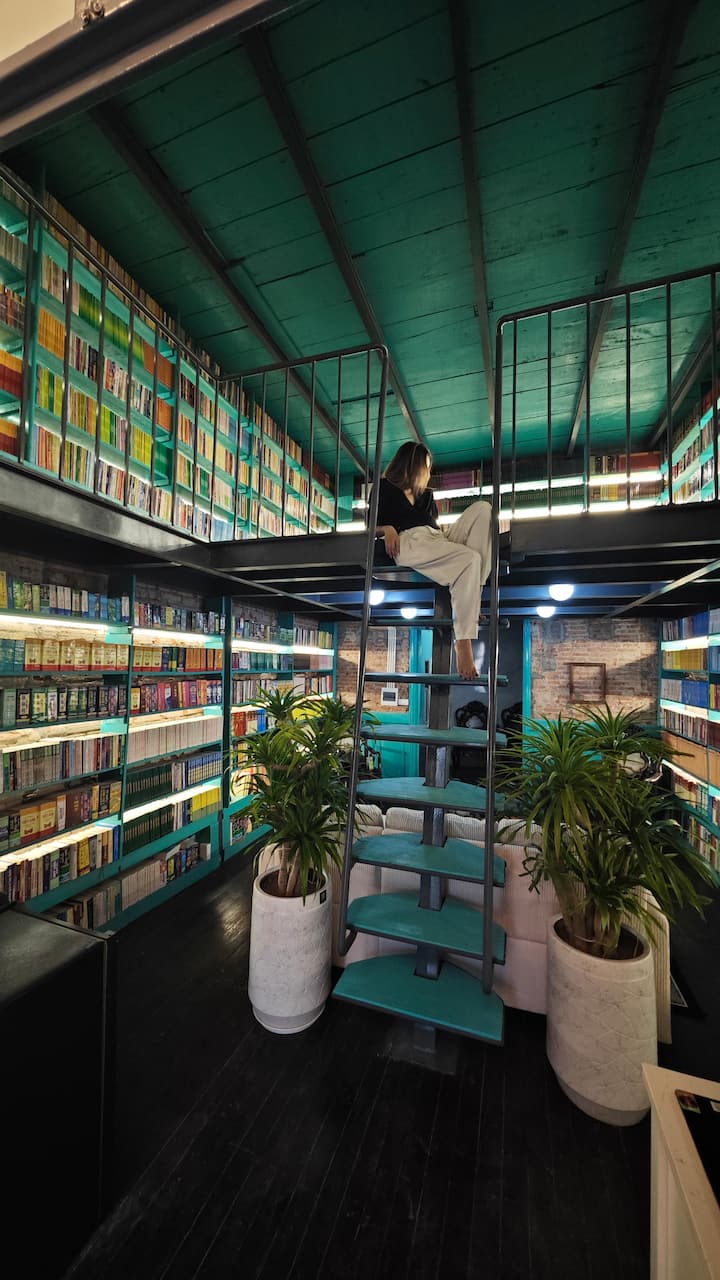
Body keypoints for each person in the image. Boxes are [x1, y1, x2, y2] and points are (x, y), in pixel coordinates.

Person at [375, 441, 495, 680]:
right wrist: (386, 528)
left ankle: (474, 600)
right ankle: (463, 641)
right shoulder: (384, 487)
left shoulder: (427, 495)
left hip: (436, 538)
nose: (429, 472)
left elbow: (434, 529)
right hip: (408, 542)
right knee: (470, 558)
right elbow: (370, 526)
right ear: (414, 464)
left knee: (483, 509)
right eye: (427, 466)